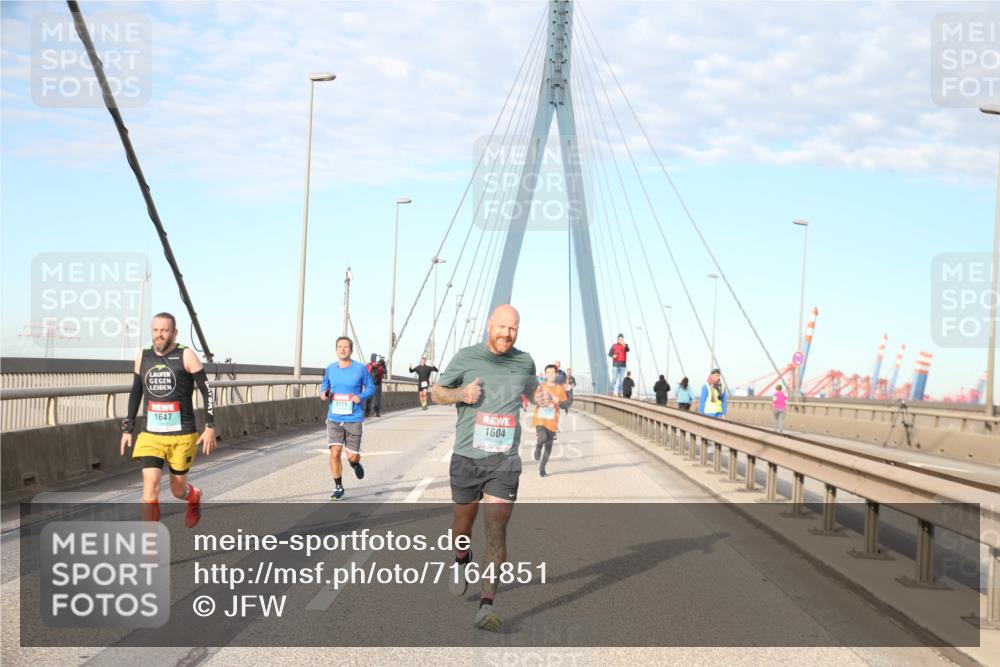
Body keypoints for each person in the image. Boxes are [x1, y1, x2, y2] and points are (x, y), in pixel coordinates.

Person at [432, 304, 549, 633]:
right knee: (461, 527)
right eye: (501, 327)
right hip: (467, 458)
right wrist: (461, 394)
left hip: (505, 462)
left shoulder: (524, 361)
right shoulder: (466, 357)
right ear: (489, 326)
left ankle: (487, 605)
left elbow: (530, 389)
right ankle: (460, 559)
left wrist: (541, 396)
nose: (506, 334)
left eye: (513, 329)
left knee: (497, 529)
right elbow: (435, 392)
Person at [120, 312, 214, 527]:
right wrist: (128, 427)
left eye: (164, 330)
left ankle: (193, 496)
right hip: (151, 435)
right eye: (155, 330)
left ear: (174, 332)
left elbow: (207, 391)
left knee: (177, 490)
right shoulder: (143, 356)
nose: (159, 335)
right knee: (150, 487)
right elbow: (136, 392)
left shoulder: (186, 355)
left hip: (182, 435)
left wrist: (209, 426)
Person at [321, 337, 375, 500]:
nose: (342, 349)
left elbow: (371, 387)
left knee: (352, 456)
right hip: (334, 417)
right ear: (336, 349)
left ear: (351, 350)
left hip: (354, 418)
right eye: (339, 347)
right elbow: (325, 384)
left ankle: (355, 464)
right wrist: (323, 393)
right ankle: (338, 486)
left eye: (345, 347)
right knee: (335, 452)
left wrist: (361, 396)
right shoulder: (330, 368)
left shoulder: (360, 369)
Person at [532, 364, 567, 477]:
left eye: (553, 372)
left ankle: (542, 468)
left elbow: (560, 402)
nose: (551, 374)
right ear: (545, 374)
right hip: (540, 418)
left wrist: (552, 396)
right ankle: (537, 447)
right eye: (548, 372)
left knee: (548, 446)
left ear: (557, 374)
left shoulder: (560, 388)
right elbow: (535, 400)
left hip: (552, 420)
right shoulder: (540, 386)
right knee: (542, 438)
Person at [364, 353, 386, 417]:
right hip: (377, 384)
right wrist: (383, 364)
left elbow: (365, 373)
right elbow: (385, 371)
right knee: (377, 399)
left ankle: (367, 413)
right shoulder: (379, 366)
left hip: (369, 384)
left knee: (369, 399)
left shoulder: (368, 365)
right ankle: (377, 412)